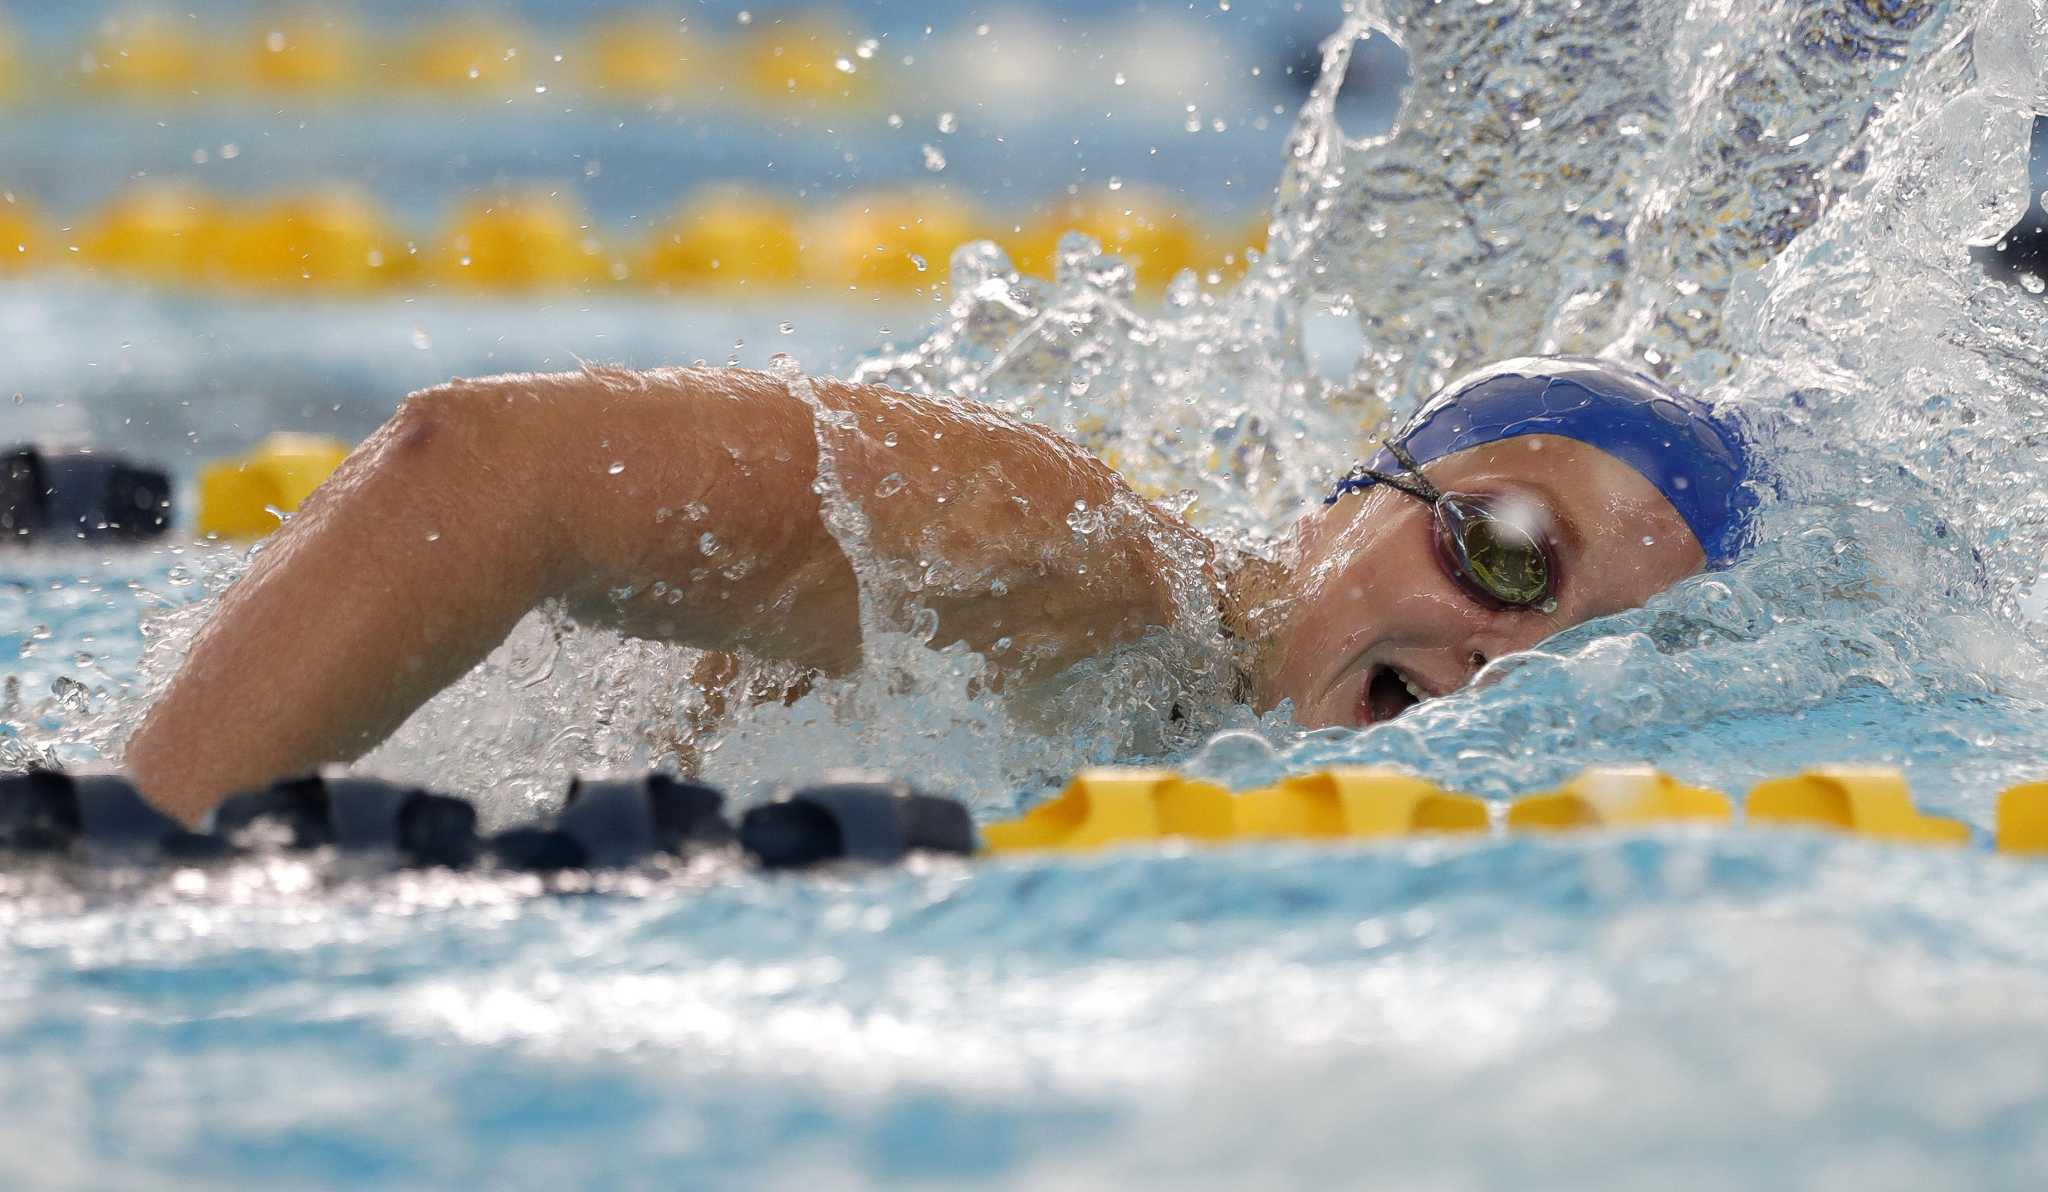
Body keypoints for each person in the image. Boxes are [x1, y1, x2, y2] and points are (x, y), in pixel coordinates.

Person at [124, 354, 1753, 823]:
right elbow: (490, 465)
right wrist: (138, 859)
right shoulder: (1074, 570)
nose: (1501, 647)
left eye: (1588, 650)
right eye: (1503, 550)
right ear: (1349, 497)